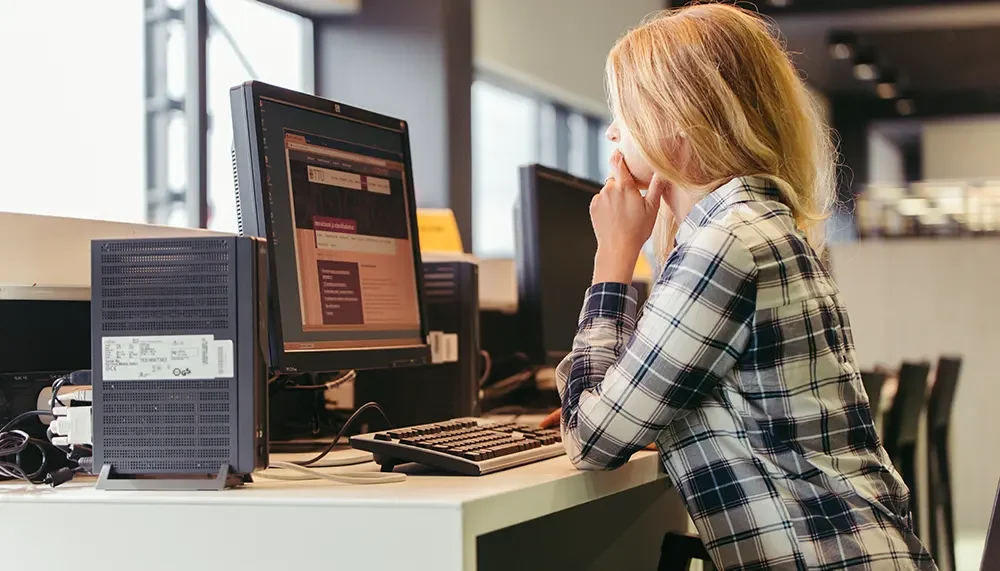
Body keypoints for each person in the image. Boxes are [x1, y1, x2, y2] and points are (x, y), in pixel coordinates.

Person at [539, 4, 936, 570]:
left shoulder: (722, 245)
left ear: (677, 118)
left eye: (624, 110)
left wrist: (612, 259)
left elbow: (591, 440)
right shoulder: (763, 226)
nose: (611, 129)